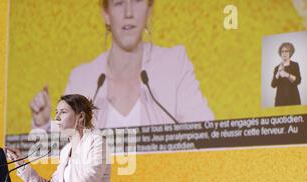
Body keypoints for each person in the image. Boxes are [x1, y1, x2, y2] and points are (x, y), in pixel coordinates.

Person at [30, 0, 214, 131]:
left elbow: (205, 135)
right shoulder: (82, 78)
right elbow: (65, 152)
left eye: (137, 1)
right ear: (106, 14)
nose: (129, 13)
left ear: (149, 10)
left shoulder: (174, 64)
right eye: (119, 2)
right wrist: (44, 125)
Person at [271, 42, 302, 107]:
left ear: (290, 53)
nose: (284, 53)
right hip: (280, 102)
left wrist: (287, 75)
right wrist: (278, 73)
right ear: (280, 53)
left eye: (286, 51)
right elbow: (273, 85)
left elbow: (298, 81)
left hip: (294, 100)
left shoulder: (295, 65)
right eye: (282, 51)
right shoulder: (277, 68)